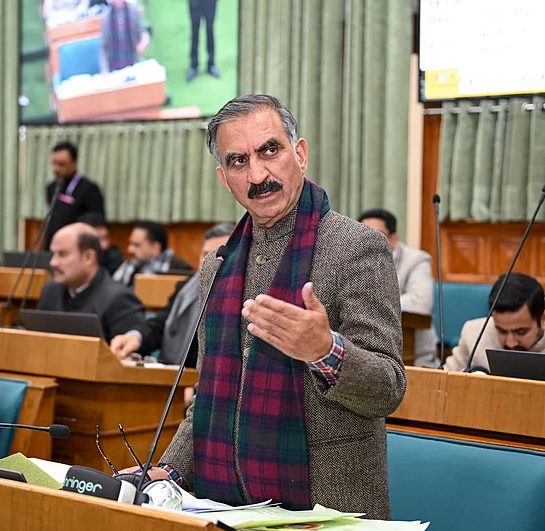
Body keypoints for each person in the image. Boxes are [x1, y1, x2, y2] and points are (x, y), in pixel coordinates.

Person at [122, 95, 405, 519]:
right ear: (225, 179)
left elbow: (389, 389)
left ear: (300, 154)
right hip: (227, 507)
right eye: (238, 161)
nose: (257, 175)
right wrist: (170, 471)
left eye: (269, 150)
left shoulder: (356, 247)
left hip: (328, 510)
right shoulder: (217, 265)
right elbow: (211, 395)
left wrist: (325, 351)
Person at [110, 223, 233, 366]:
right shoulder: (186, 287)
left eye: (218, 256)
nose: (210, 263)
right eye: (206, 255)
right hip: (172, 372)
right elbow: (160, 323)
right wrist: (137, 337)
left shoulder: (244, 298)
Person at [358, 208, 439, 368]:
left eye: (377, 234)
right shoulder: (352, 260)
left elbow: (421, 303)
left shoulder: (417, 260)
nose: (369, 241)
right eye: (363, 234)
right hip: (364, 353)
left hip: (413, 355)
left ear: (393, 239)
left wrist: (372, 305)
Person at [38, 223, 145, 342]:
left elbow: (126, 351)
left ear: (88, 257)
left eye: (62, 254)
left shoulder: (119, 299)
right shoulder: (50, 290)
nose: (53, 263)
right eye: (53, 254)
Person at [444, 273, 545, 372]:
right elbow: (445, 377)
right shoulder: (474, 334)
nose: (511, 343)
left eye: (521, 332)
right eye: (502, 331)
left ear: (543, 319)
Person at [44, 142, 106, 249]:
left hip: (77, 245)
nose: (56, 169)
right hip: (54, 243)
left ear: (74, 163)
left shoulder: (90, 189)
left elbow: (97, 223)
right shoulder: (52, 187)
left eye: (62, 164)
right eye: (54, 163)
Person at [112, 221, 193, 287]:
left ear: (155, 248)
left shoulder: (180, 270)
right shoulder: (130, 265)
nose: (130, 249)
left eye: (137, 245)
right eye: (130, 244)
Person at [99, 0, 150, 74]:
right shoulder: (106, 17)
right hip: (114, 67)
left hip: (133, 63)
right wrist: (104, 69)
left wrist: (145, 39)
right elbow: (103, 47)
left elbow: (142, 31)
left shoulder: (133, 10)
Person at [186, 0, 220, 82]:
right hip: (195, 2)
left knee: (210, 31)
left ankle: (211, 64)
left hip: (210, 2)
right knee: (194, 32)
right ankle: (194, 65)